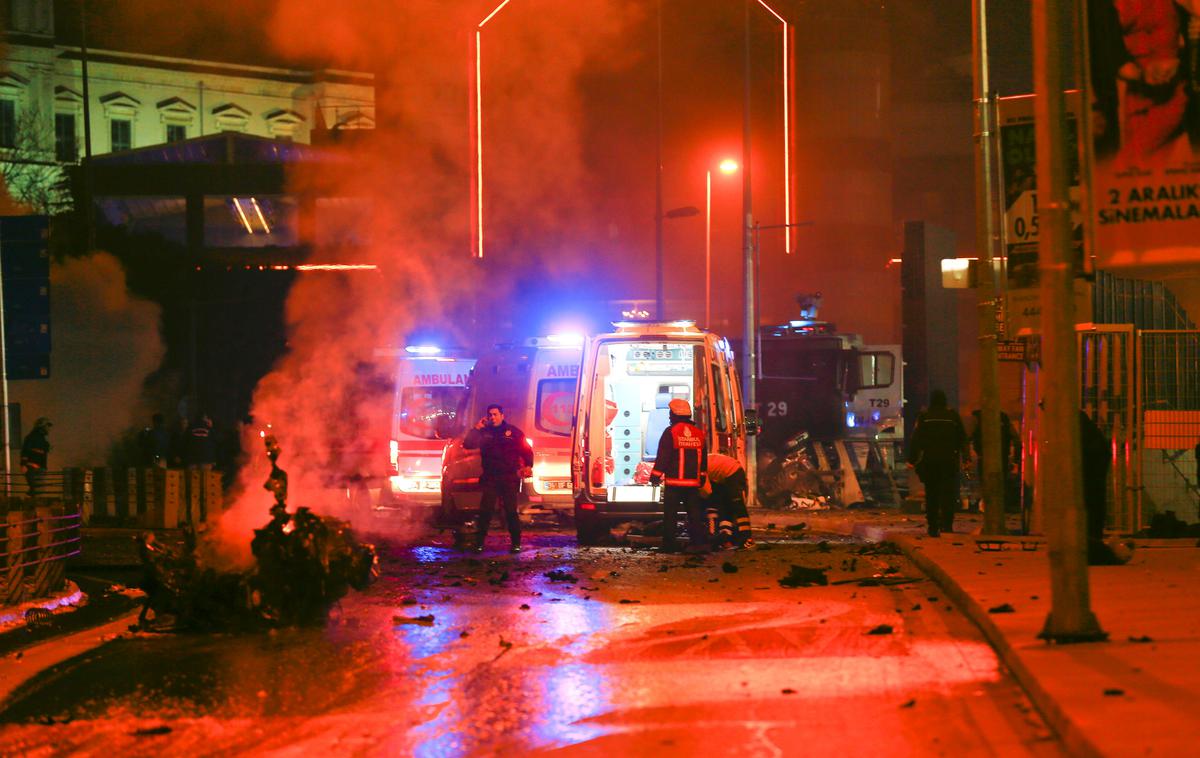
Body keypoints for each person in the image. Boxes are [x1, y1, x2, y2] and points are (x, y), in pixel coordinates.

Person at [464, 404, 533, 553]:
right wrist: (476, 428)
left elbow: (526, 450)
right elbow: (468, 444)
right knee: (486, 511)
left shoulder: (513, 432)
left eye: (495, 414)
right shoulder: (484, 432)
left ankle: (516, 543)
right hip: (490, 477)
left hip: (508, 477)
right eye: (490, 415)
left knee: (510, 511)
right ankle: (479, 543)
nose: (492, 417)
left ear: (502, 415)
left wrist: (528, 465)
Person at [650, 398, 708, 554]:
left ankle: (669, 545)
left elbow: (664, 456)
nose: (669, 417)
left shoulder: (671, 432)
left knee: (670, 516)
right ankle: (698, 544)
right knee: (694, 516)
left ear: (675, 415)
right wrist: (702, 477)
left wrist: (655, 475)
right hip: (692, 485)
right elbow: (703, 459)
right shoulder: (698, 433)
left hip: (674, 485)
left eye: (670, 414)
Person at [906, 390, 968, 537]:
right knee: (948, 494)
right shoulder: (953, 417)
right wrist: (966, 458)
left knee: (932, 494)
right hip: (949, 461)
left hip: (930, 461)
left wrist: (912, 459)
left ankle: (933, 526)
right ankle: (947, 524)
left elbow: (917, 440)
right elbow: (962, 438)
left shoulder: (925, 417)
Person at [969, 409, 1022, 511]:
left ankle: (988, 511)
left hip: (984, 457)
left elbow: (969, 436)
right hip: (1002, 457)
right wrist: (1016, 459)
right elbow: (1016, 439)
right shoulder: (1004, 418)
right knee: (1000, 486)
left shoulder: (979, 418)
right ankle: (997, 510)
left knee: (986, 485)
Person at [702, 452, 753, 550]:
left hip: (733, 473)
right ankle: (725, 537)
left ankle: (746, 538)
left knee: (738, 507)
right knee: (724, 507)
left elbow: (706, 492)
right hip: (723, 475)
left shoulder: (698, 469)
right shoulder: (702, 463)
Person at [1080, 411, 1113, 560]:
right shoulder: (1076, 418)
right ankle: (1092, 538)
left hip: (1092, 457)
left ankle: (1091, 540)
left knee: (1091, 498)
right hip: (1094, 456)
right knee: (1094, 498)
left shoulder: (1065, 418)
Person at [21, 417, 52, 496]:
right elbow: (26, 451)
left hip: (36, 467)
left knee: (38, 489)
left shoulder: (37, 438)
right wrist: (24, 464)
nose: (49, 429)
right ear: (42, 427)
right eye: (47, 426)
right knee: (38, 489)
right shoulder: (34, 438)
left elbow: (26, 451)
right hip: (35, 467)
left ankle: (34, 494)